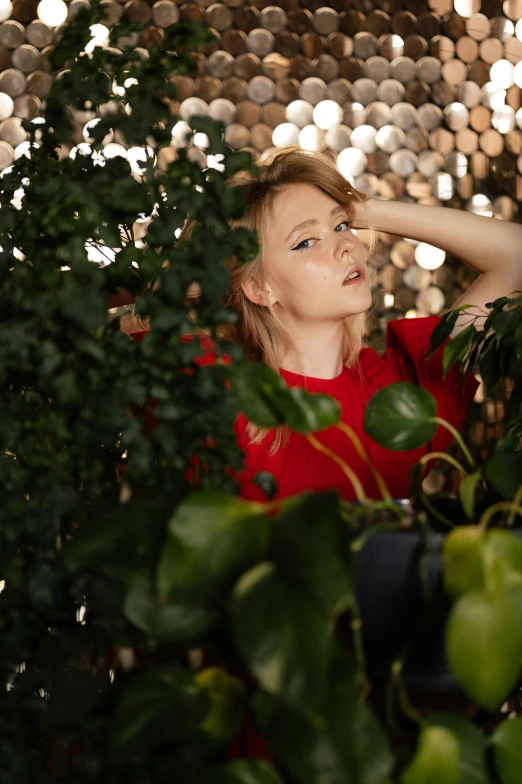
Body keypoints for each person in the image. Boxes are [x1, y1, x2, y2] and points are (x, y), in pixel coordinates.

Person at [126, 146, 522, 502]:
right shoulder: (207, 382)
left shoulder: (399, 400)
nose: (347, 245)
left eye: (341, 228)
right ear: (259, 288)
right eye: (305, 242)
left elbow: (515, 257)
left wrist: (360, 208)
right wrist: (208, 277)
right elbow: (78, 320)